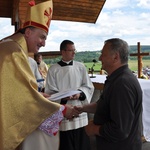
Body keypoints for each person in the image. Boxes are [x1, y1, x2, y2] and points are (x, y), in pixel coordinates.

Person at [0, 1, 78, 150]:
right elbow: (22, 101)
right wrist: (61, 110)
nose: (43, 43)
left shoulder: (11, 46)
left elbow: (13, 93)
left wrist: (38, 96)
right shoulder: (14, 53)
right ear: (28, 32)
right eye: (42, 37)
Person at [75, 38, 142, 150]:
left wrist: (94, 129)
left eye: (103, 54)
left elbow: (120, 130)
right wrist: (81, 108)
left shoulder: (122, 84)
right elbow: (103, 104)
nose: (100, 58)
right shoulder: (116, 78)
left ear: (115, 57)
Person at [45, 39, 94, 150]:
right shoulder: (53, 69)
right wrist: (63, 98)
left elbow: (89, 86)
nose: (74, 53)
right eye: (71, 50)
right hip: (64, 113)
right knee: (66, 145)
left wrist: (80, 94)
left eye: (74, 50)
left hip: (79, 111)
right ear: (63, 52)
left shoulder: (80, 67)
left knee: (82, 144)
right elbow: (49, 92)